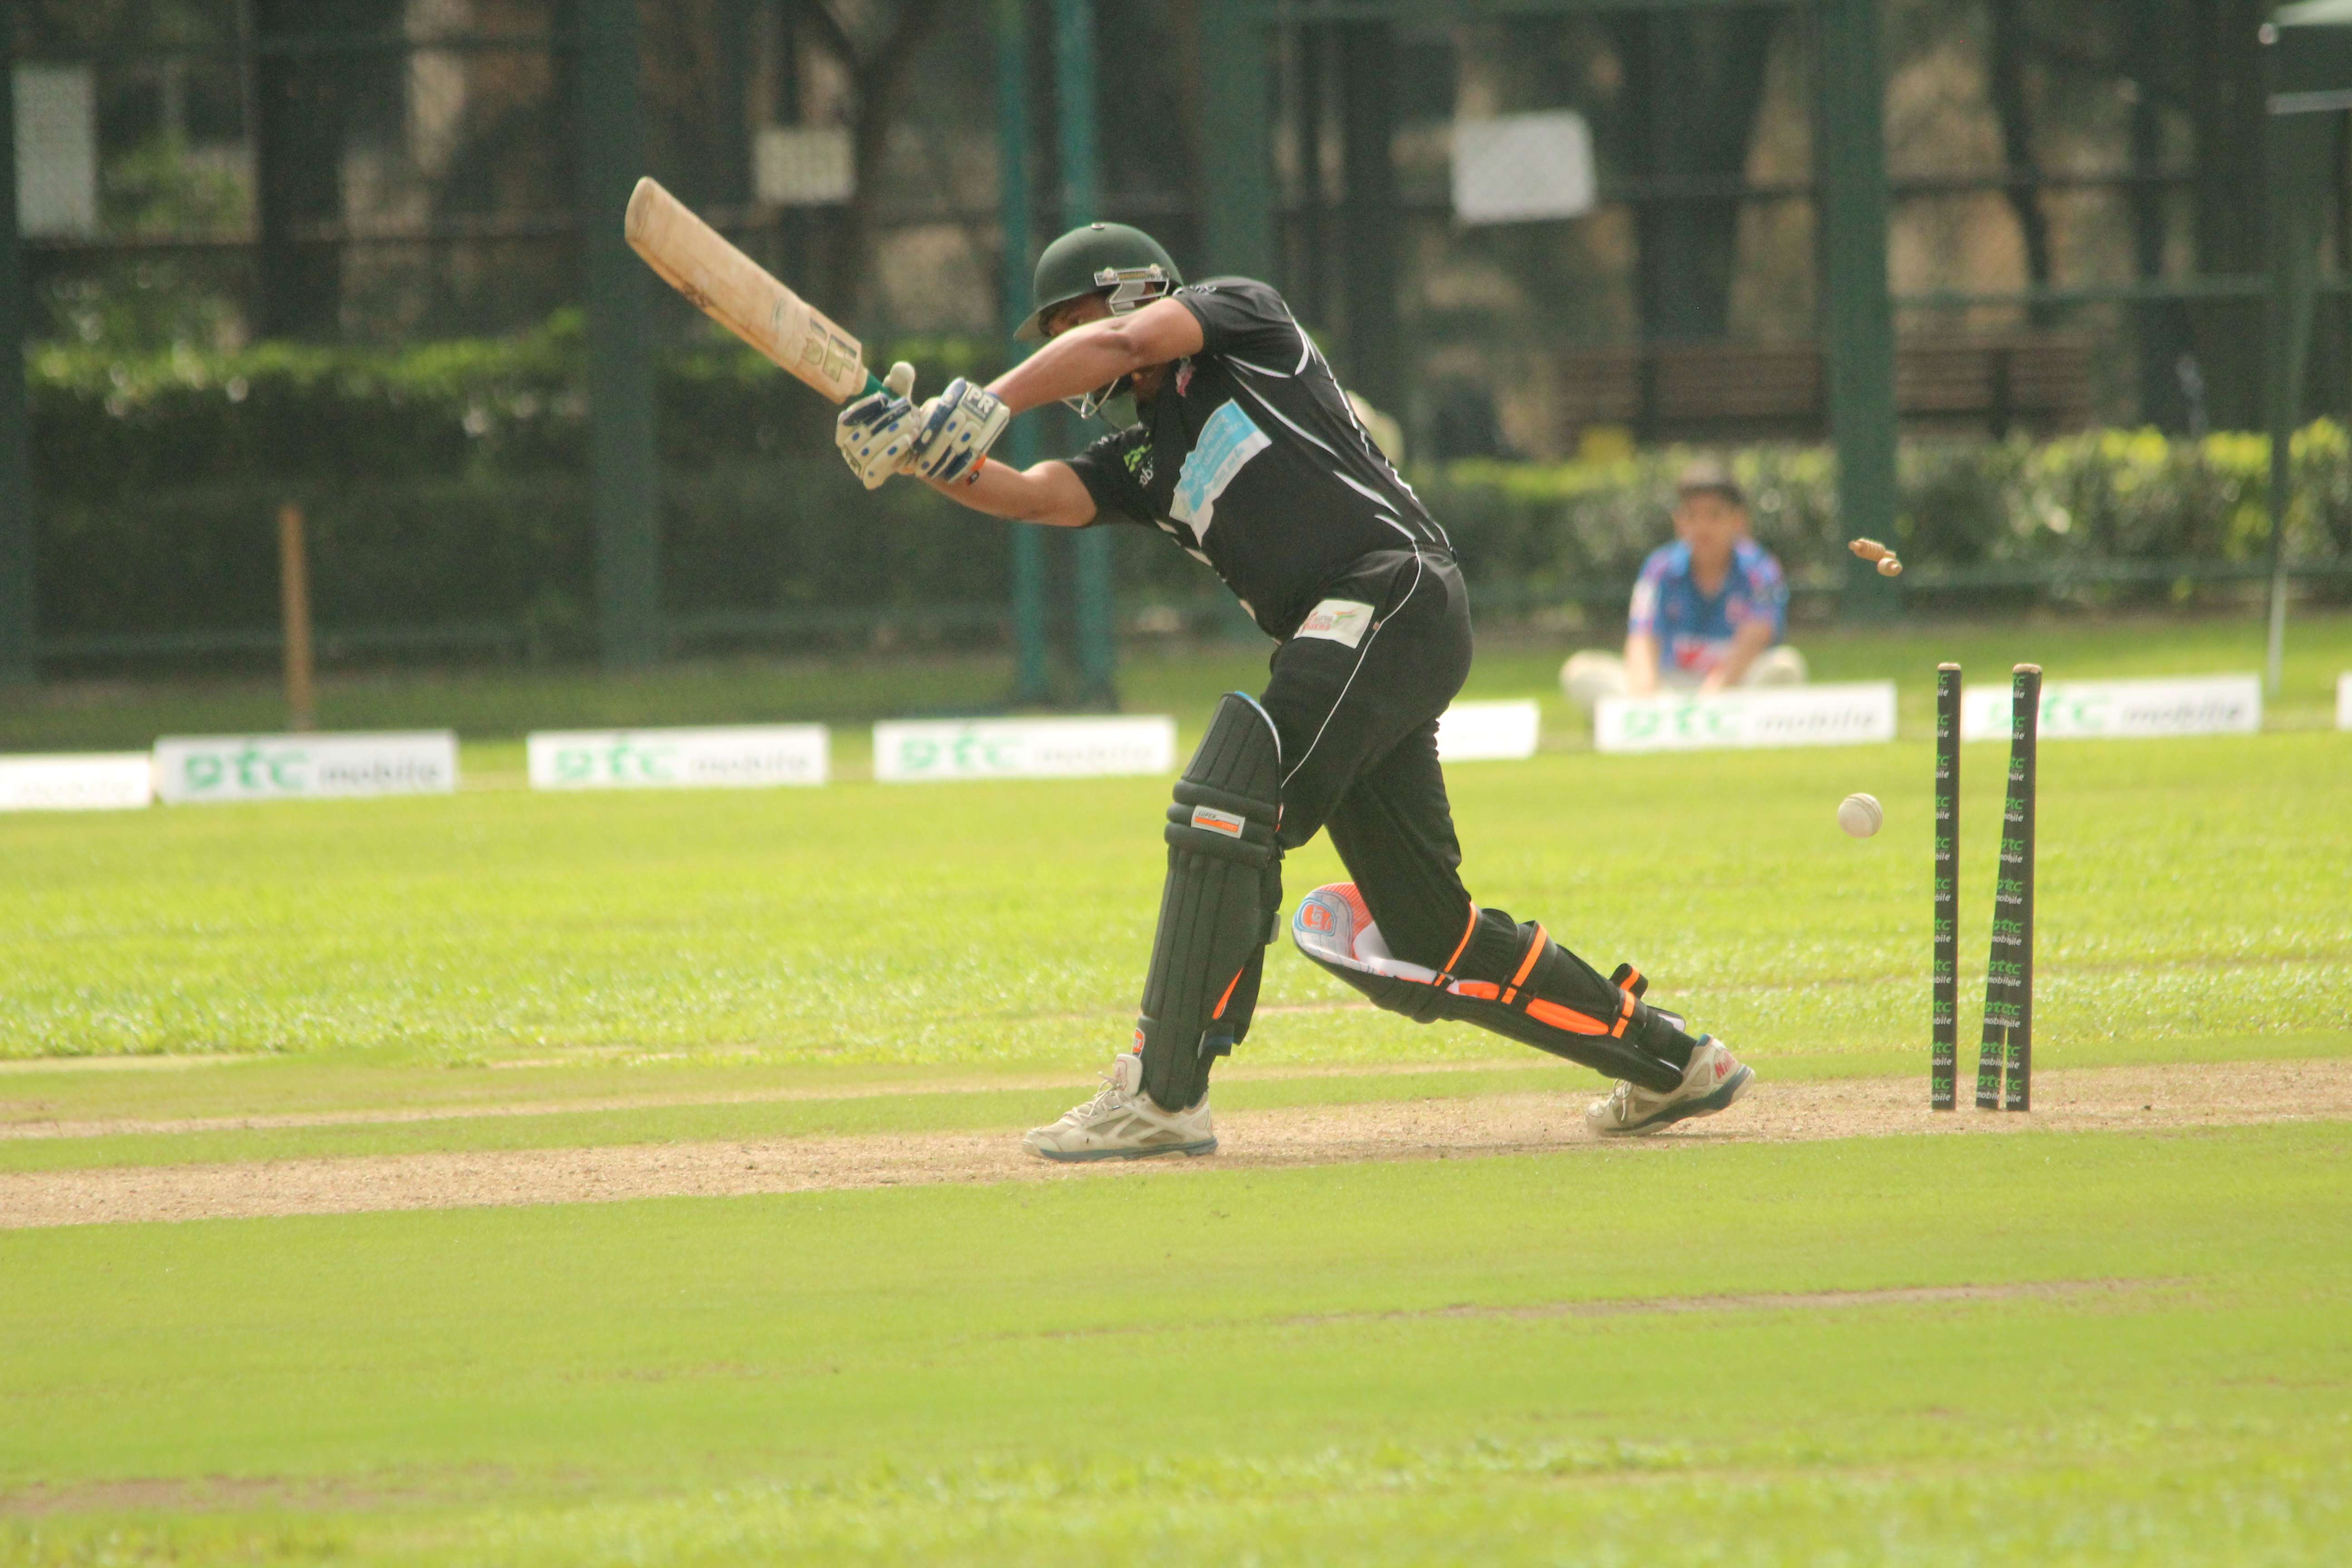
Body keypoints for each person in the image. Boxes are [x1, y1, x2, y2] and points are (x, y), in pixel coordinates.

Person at [835, 222, 1754, 1158]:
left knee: (1230, 804)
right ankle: (1673, 1061)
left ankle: (1162, 1095)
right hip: (1361, 639)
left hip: (1388, 590)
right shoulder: (1142, 460)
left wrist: (984, 400)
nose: (1068, 350)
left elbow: (1123, 343)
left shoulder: (1242, 321)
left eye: (1070, 322)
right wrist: (920, 453)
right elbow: (1032, 493)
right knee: (1428, 936)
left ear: (1130, 290)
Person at [1560, 461, 1807, 707]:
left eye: (1714, 515)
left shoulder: (1760, 569)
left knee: (1785, 667)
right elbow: (1642, 638)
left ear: (1738, 520)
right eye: (1691, 516)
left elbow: (1756, 637)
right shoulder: (1660, 568)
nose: (1702, 527)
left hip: (1733, 686)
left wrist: (1712, 696)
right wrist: (1646, 699)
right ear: (1678, 521)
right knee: (1580, 672)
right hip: (1669, 686)